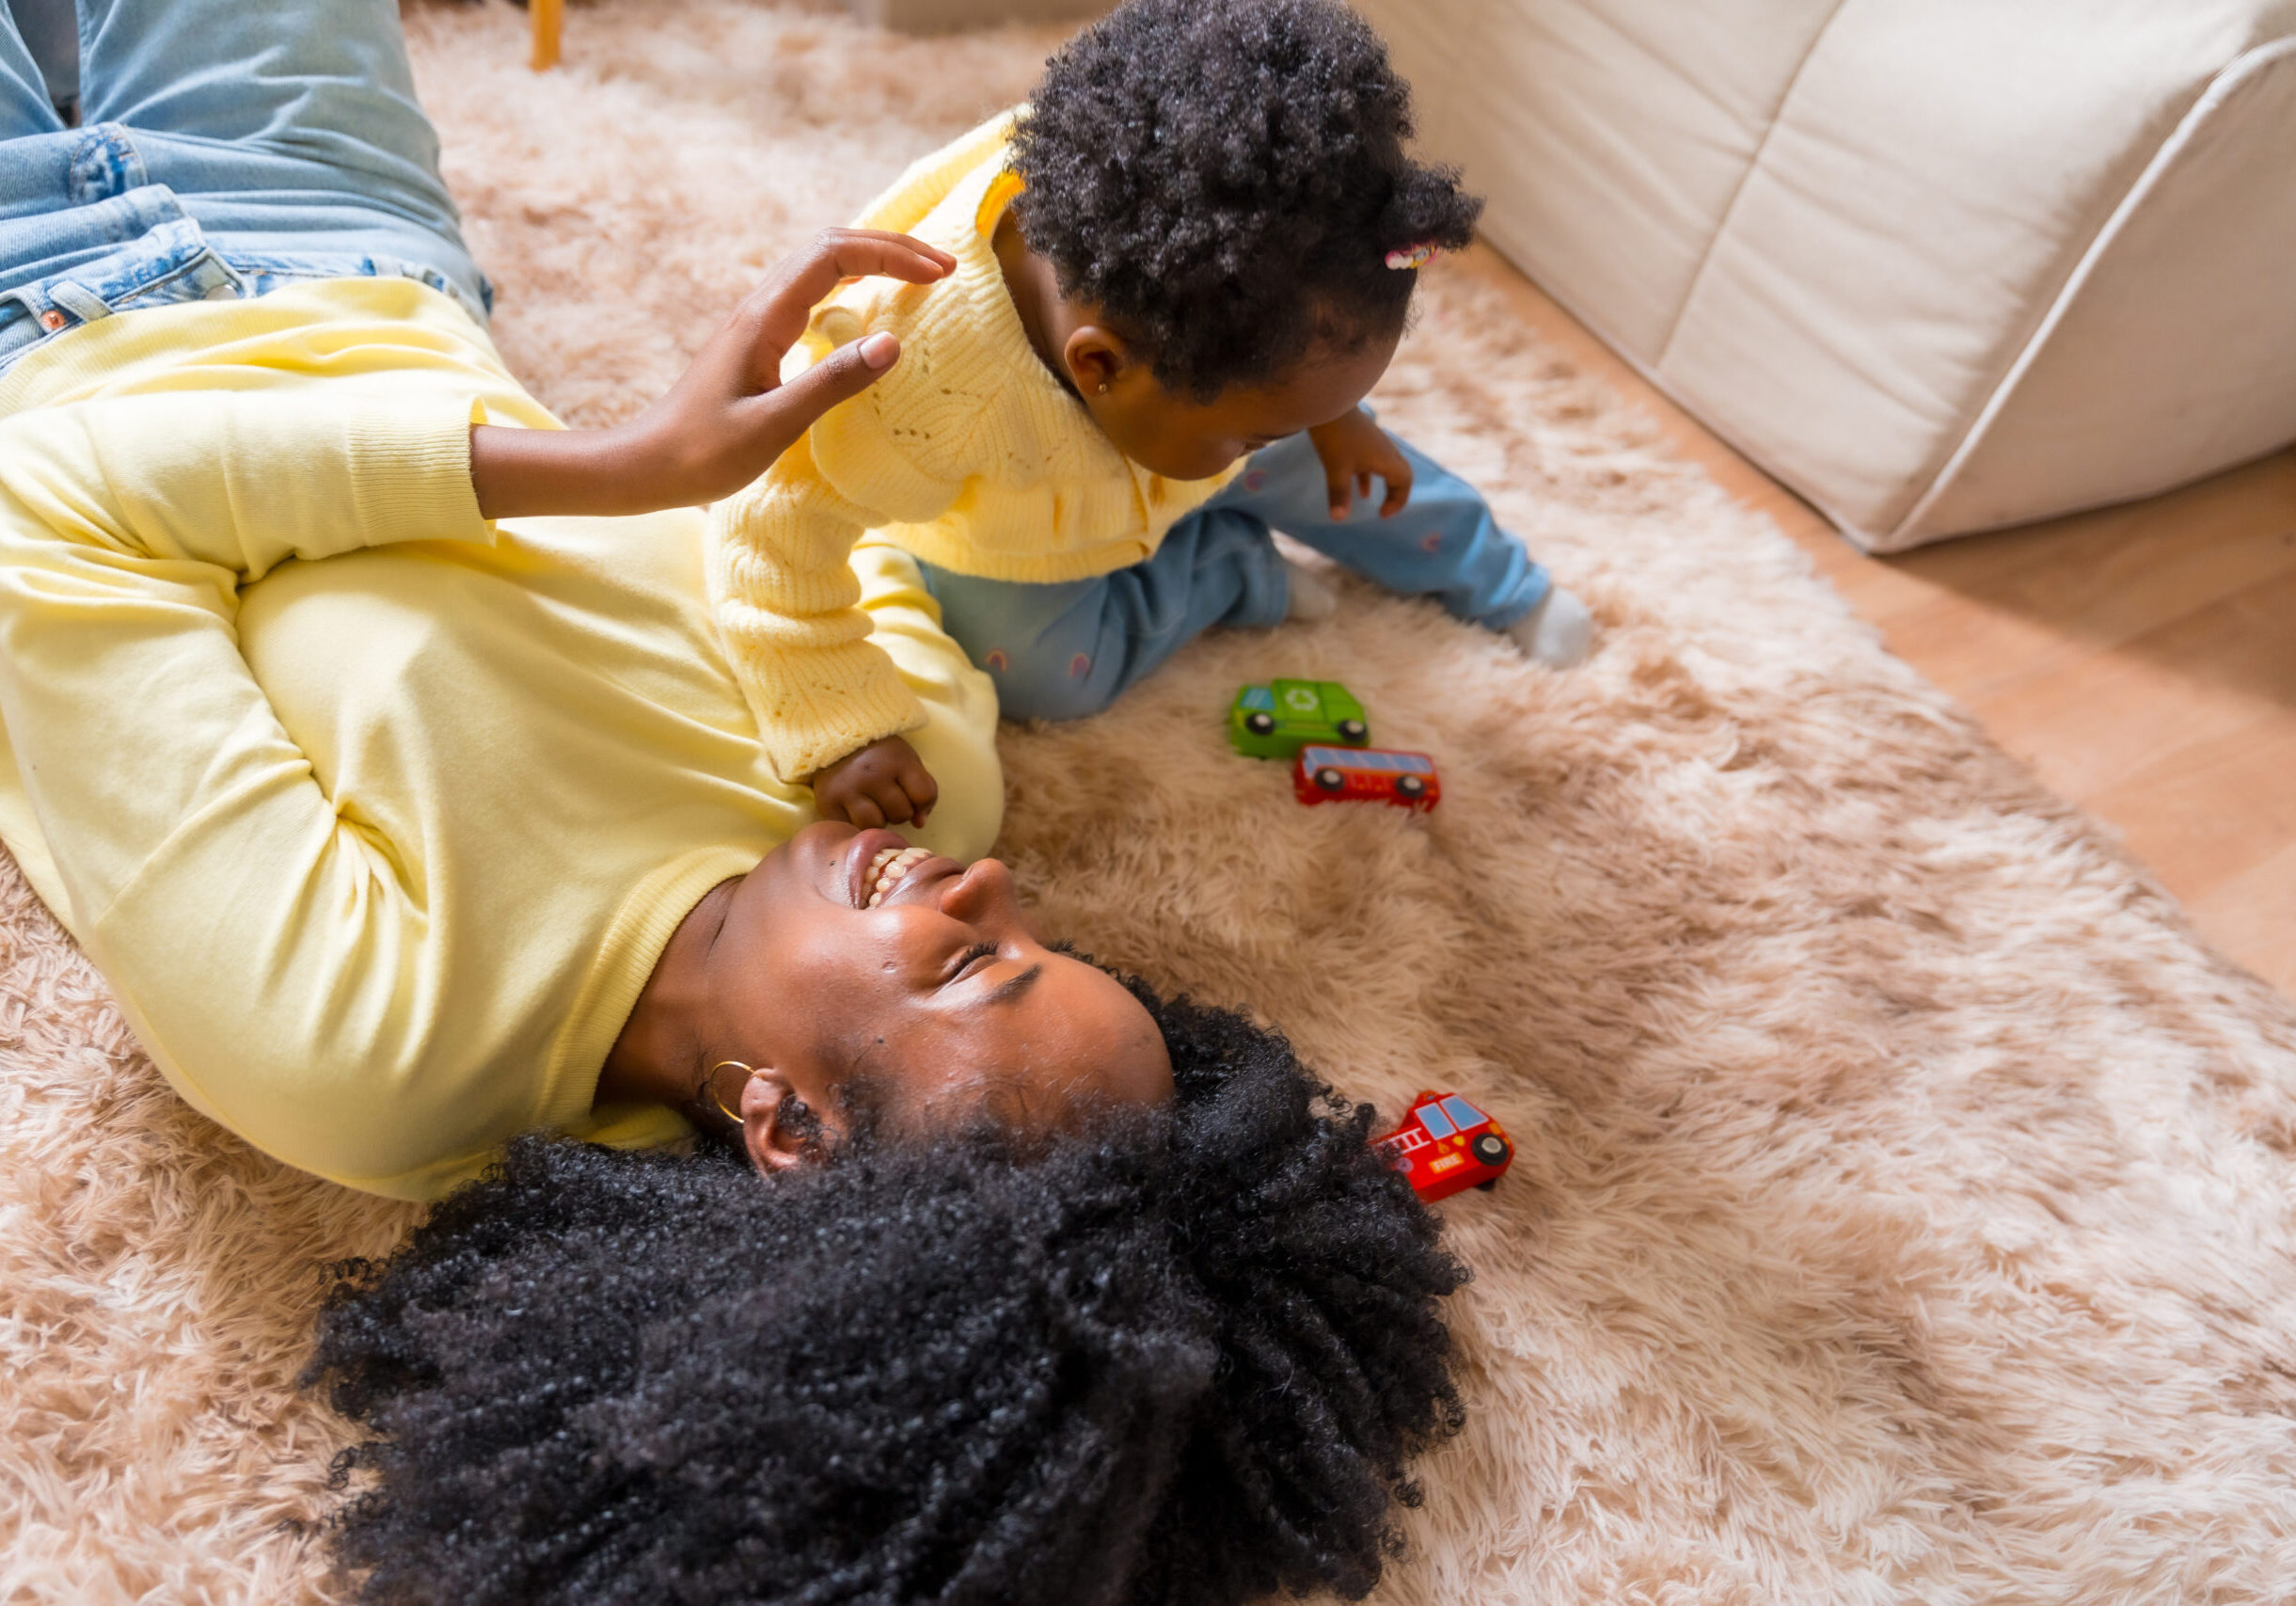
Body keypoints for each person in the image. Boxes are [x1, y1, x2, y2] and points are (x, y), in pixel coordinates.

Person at [0, 3, 1470, 1601]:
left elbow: (53, 521)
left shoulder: (384, 1047)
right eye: (1023, 924)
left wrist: (615, 473)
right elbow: (823, 500)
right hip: (349, 234)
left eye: (969, 961)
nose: (979, 884)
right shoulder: (910, 770)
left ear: (781, 1120)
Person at [723, 0, 1595, 822]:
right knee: (1041, 678)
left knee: (1356, 473)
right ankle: (1229, 573)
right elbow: (768, 533)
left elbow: (1276, 377)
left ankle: (1498, 578)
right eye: (1267, 425)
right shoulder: (908, 386)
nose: (1292, 433)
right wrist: (841, 726)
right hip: (1018, 525)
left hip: (1187, 412)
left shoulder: (1201, 274)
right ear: (1100, 367)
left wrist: (1338, 421)